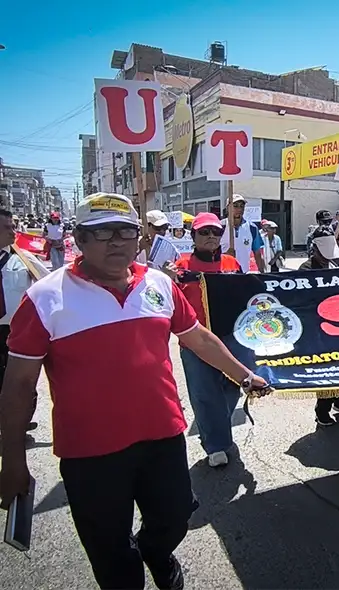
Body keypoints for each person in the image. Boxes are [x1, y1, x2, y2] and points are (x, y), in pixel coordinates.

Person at [0, 193, 271, 590]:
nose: (115, 241)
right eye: (101, 232)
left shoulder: (160, 283)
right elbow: (18, 386)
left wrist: (245, 376)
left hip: (162, 437)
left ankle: (156, 553)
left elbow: (199, 339)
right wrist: (11, 461)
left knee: (175, 517)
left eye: (125, 231)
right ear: (79, 238)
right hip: (89, 452)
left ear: (139, 236)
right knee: (111, 555)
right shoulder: (45, 298)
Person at [173, 213, 246, 469]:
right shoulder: (179, 266)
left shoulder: (231, 262)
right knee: (204, 394)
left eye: (215, 232)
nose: (211, 237)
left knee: (230, 389)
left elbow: (246, 294)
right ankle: (215, 445)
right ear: (193, 236)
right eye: (204, 232)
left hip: (230, 339)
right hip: (195, 341)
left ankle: (218, 429)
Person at [299, 225, 339, 423]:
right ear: (314, 249)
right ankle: (322, 410)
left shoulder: (334, 267)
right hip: (319, 329)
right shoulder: (306, 270)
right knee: (328, 371)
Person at [0, 209, 42, 441]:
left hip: (17, 330)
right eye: (6, 227)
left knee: (21, 379)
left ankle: (21, 423)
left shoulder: (24, 259)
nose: (13, 231)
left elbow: (50, 284)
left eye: (12, 225)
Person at [220, 194, 265, 273]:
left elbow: (257, 254)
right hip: (223, 275)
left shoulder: (252, 228)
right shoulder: (220, 227)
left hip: (243, 275)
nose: (239, 209)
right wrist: (224, 255)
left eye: (242, 206)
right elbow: (211, 253)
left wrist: (263, 275)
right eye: (235, 206)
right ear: (228, 208)